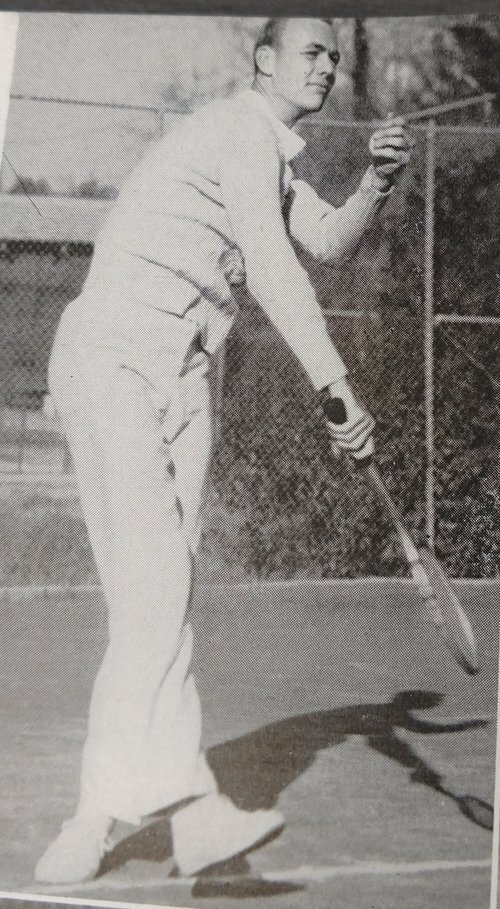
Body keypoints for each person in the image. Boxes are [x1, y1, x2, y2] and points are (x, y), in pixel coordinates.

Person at [35, 17, 413, 884]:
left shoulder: (271, 160)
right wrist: (336, 387)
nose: (326, 66)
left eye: (334, 56)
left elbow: (324, 242)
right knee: (157, 586)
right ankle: (196, 814)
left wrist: (377, 182)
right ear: (263, 61)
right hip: (116, 353)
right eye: (310, 52)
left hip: (188, 373)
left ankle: (92, 820)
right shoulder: (233, 132)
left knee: (156, 600)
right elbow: (279, 275)